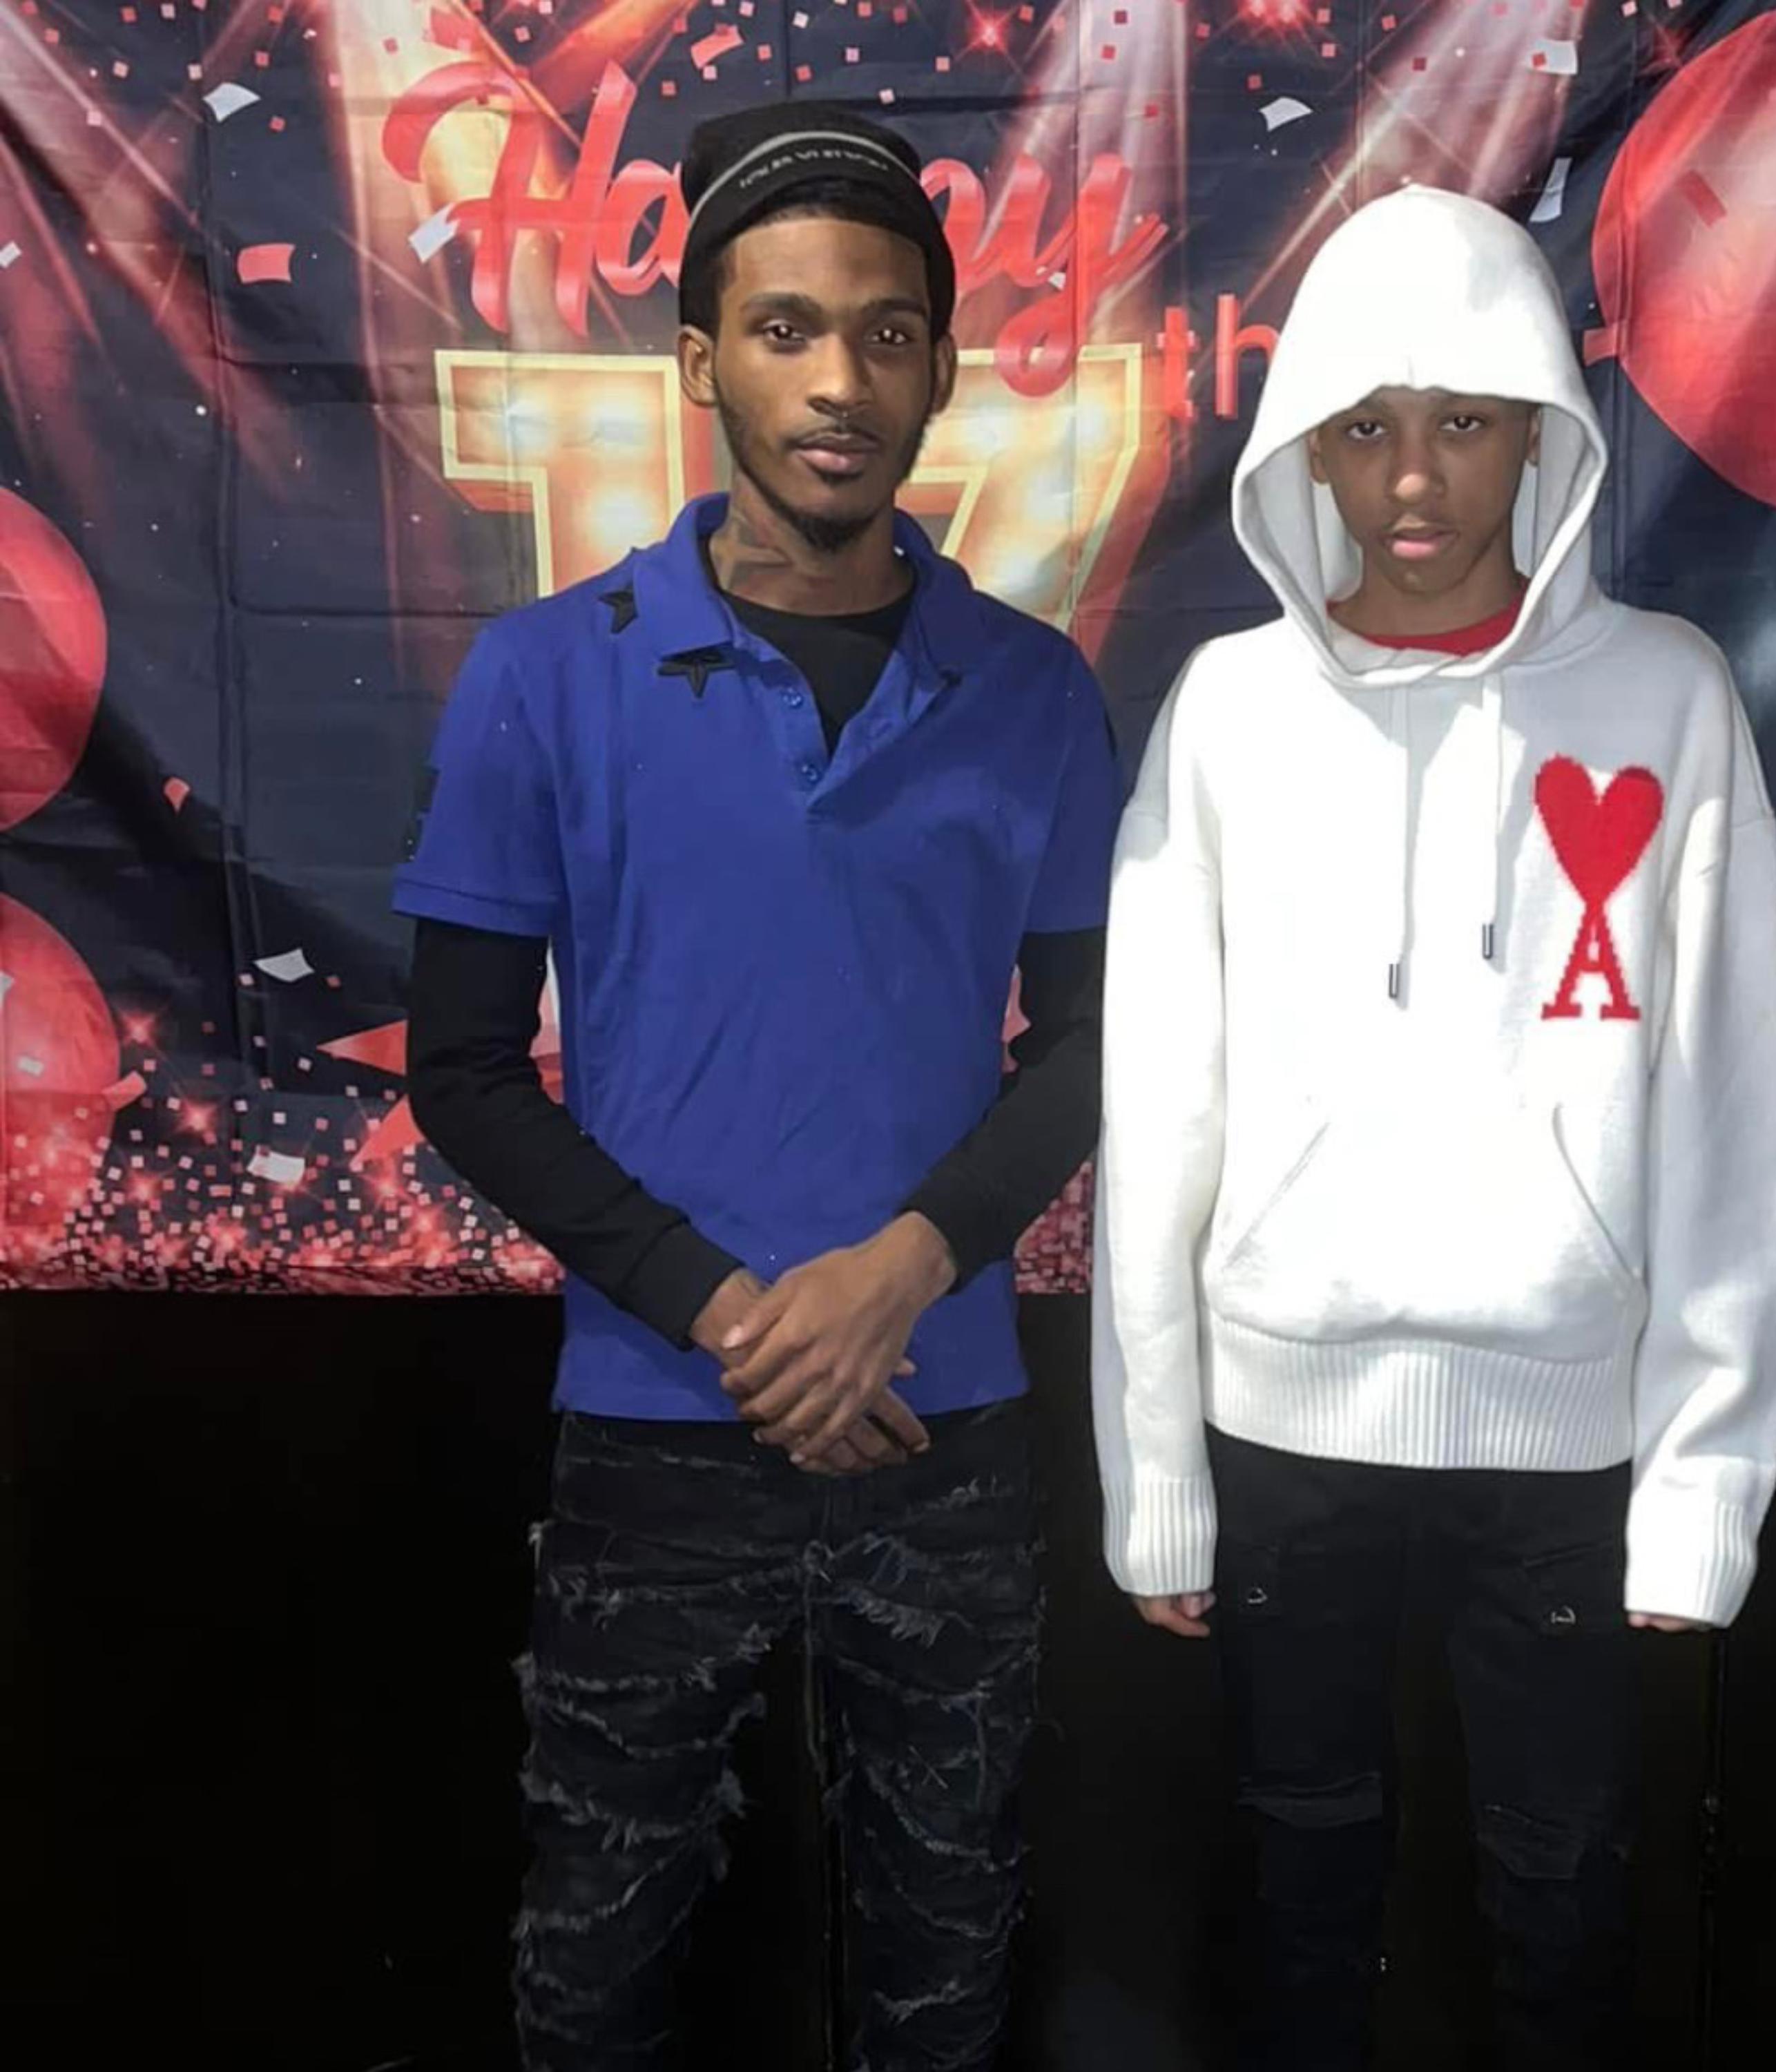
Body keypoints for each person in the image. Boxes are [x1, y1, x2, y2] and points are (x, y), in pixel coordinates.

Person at [396, 104, 1119, 2072]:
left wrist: (901, 1270)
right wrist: (727, 1310)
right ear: (701, 361)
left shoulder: (1035, 690)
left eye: (886, 334)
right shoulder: (548, 675)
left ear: (941, 368)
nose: (838, 383)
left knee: (945, 1959)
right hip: (657, 1419)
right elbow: (463, 1066)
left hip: (942, 1416)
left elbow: (1093, 1048)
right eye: (787, 329)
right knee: (594, 1967)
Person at [1091, 186, 1776, 2071]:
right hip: (1281, 1430)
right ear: (1306, 445)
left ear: (1541, 433)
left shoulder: (1666, 699)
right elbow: (1157, 1107)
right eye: (1368, 426)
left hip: (1567, 1436)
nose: (1414, 478)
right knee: (1294, 1882)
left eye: (1465, 422)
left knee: (1565, 1900)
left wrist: (1701, 1489)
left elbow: (1727, 1111)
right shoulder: (1229, 711)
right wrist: (1156, 1473)